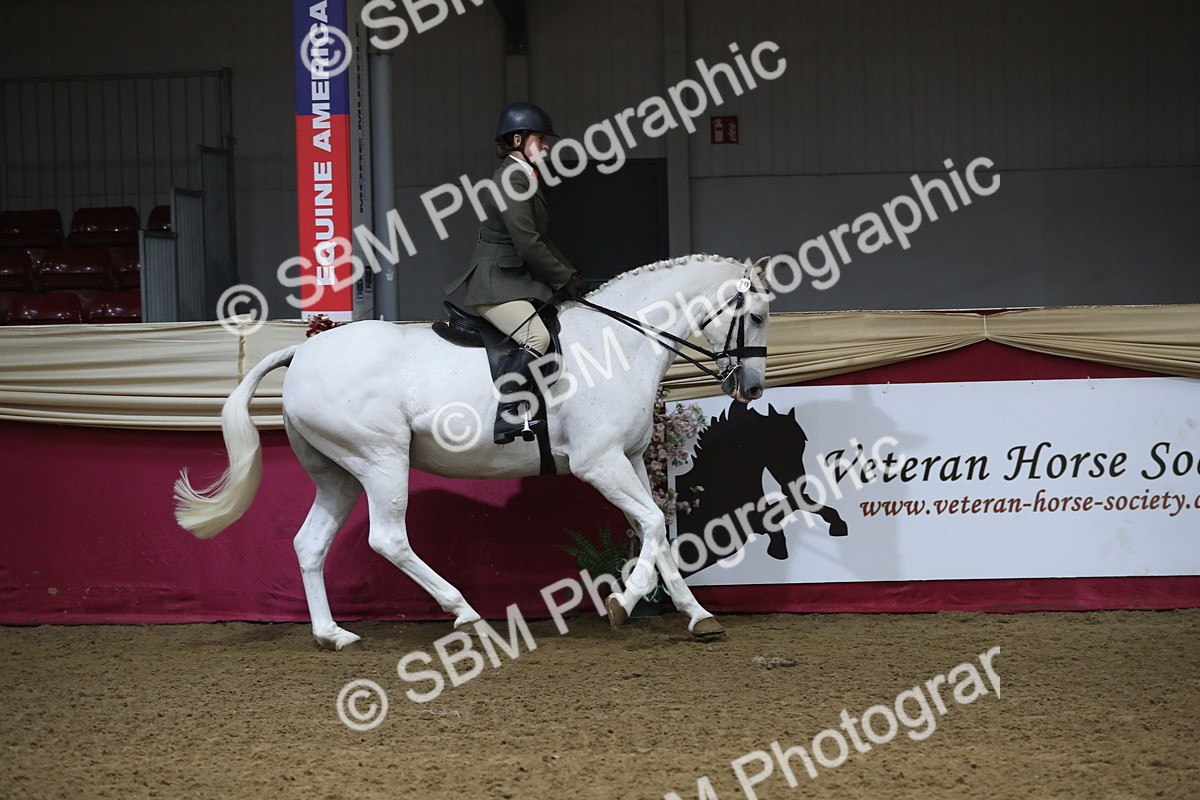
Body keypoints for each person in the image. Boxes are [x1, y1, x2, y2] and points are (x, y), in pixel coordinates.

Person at [444, 101, 583, 444]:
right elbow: (529, 243)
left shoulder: (524, 177)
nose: (547, 145)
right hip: (496, 285)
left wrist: (571, 275)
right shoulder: (511, 179)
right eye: (541, 138)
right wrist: (563, 278)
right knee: (536, 337)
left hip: (514, 281)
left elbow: (544, 241)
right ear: (517, 139)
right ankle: (508, 413)